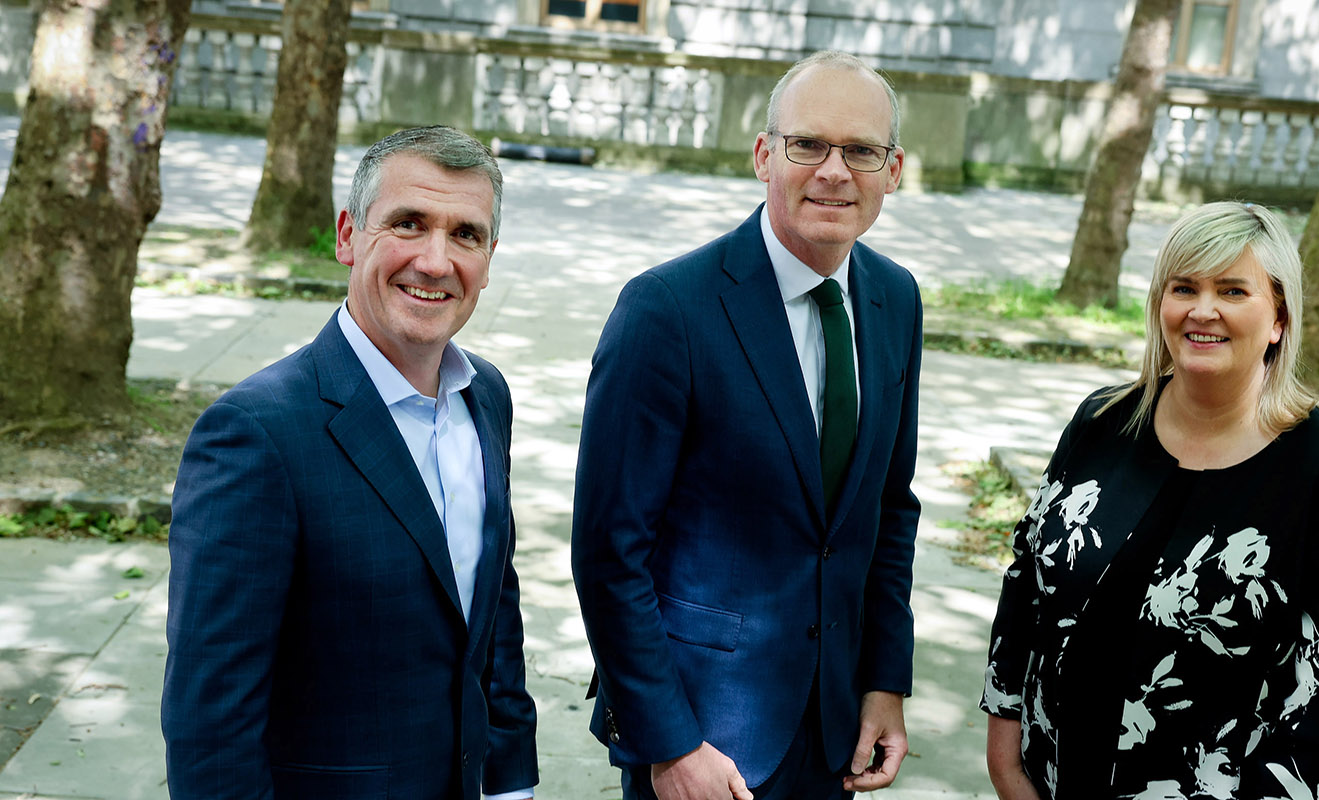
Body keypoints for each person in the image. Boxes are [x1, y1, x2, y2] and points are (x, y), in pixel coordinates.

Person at [571, 50, 922, 800]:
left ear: (893, 170)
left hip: (835, 731)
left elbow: (889, 511)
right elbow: (609, 552)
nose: (835, 171)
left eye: (862, 150)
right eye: (808, 145)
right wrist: (669, 743)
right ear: (765, 155)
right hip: (703, 743)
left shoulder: (897, 301)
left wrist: (885, 681)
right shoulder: (667, 311)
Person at [162, 126, 539, 799]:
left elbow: (492, 620)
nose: (434, 259)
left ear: (489, 257)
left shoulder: (488, 397)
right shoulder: (254, 435)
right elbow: (210, 724)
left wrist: (510, 784)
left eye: (465, 234)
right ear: (347, 236)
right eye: (408, 223)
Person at [981, 202, 1319, 800]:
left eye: (1232, 290)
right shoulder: (1101, 424)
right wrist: (1007, 762)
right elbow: (1026, 586)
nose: (1203, 311)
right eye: (1185, 288)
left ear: (1279, 317)